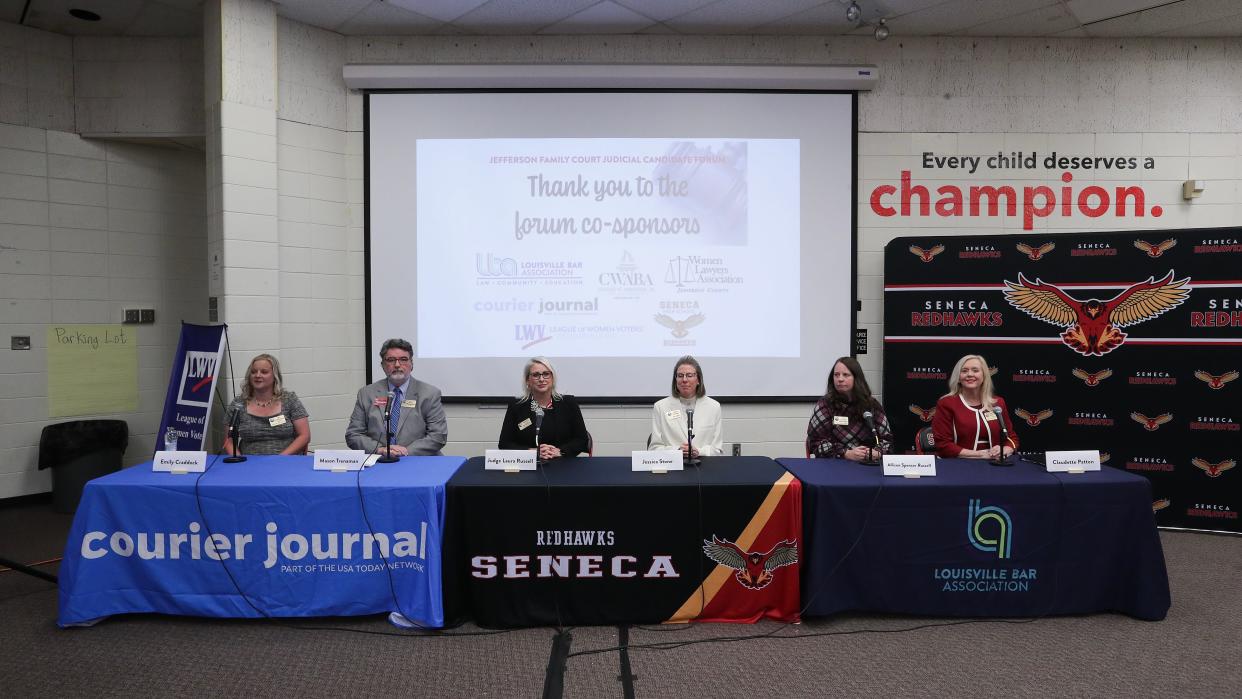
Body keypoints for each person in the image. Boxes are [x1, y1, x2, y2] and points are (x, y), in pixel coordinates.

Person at [346, 338, 447, 457]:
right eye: (391, 360)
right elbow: (353, 435)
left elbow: (438, 436)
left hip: (418, 460)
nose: (397, 365)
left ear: (411, 364)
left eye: (403, 359)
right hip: (380, 461)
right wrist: (381, 450)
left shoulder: (429, 394)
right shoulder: (367, 394)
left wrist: (405, 451)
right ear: (383, 365)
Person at [498, 357, 588, 460]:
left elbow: (582, 440)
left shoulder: (568, 403)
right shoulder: (516, 406)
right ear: (528, 380)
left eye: (546, 374)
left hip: (563, 464)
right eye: (536, 375)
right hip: (529, 466)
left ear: (552, 378)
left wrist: (560, 451)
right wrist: (532, 452)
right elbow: (504, 444)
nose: (541, 379)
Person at [931, 354, 1019, 459]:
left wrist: (1004, 450)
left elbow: (1011, 438)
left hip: (994, 464)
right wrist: (981, 455)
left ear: (984, 376)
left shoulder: (998, 403)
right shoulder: (946, 403)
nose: (969, 374)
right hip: (957, 465)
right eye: (964, 371)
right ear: (958, 377)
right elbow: (942, 445)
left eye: (975, 370)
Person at [805, 356, 893, 461]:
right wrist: (845, 453)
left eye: (845, 375)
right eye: (836, 375)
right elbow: (815, 442)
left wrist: (877, 452)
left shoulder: (871, 405)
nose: (840, 379)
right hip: (834, 465)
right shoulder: (825, 404)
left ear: (856, 378)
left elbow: (887, 440)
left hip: (867, 466)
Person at [223, 354, 310, 456]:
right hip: (249, 465)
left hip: (286, 462)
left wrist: (279, 459)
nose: (257, 375)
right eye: (253, 372)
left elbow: (304, 436)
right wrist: (239, 462)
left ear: (275, 376)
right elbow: (228, 441)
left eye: (264, 372)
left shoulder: (289, 399)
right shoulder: (238, 404)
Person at [649, 355, 723, 459]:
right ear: (676, 380)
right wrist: (677, 451)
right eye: (680, 375)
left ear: (698, 380)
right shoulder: (660, 407)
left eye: (689, 375)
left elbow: (717, 450)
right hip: (673, 468)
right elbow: (654, 449)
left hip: (704, 467)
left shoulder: (714, 407)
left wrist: (699, 451)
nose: (684, 380)